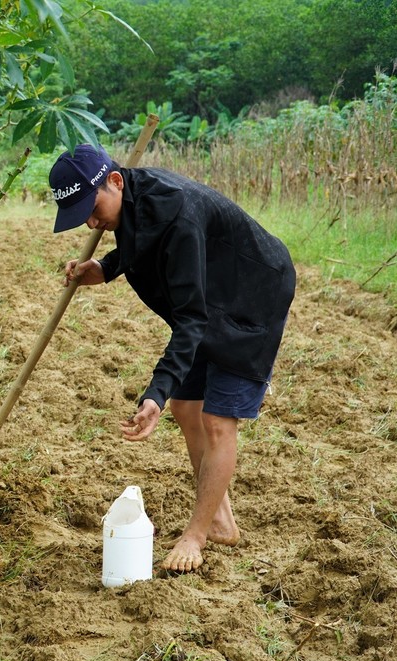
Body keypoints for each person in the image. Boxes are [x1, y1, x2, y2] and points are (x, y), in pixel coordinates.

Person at [50, 143, 296, 572]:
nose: (91, 223)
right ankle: (220, 518)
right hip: (208, 294)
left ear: (115, 181)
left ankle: (197, 535)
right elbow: (143, 239)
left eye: (91, 210)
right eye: (81, 218)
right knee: (186, 407)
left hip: (251, 298)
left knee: (218, 420)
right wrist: (106, 269)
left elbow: (190, 319)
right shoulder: (133, 198)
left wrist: (154, 394)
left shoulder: (177, 212)